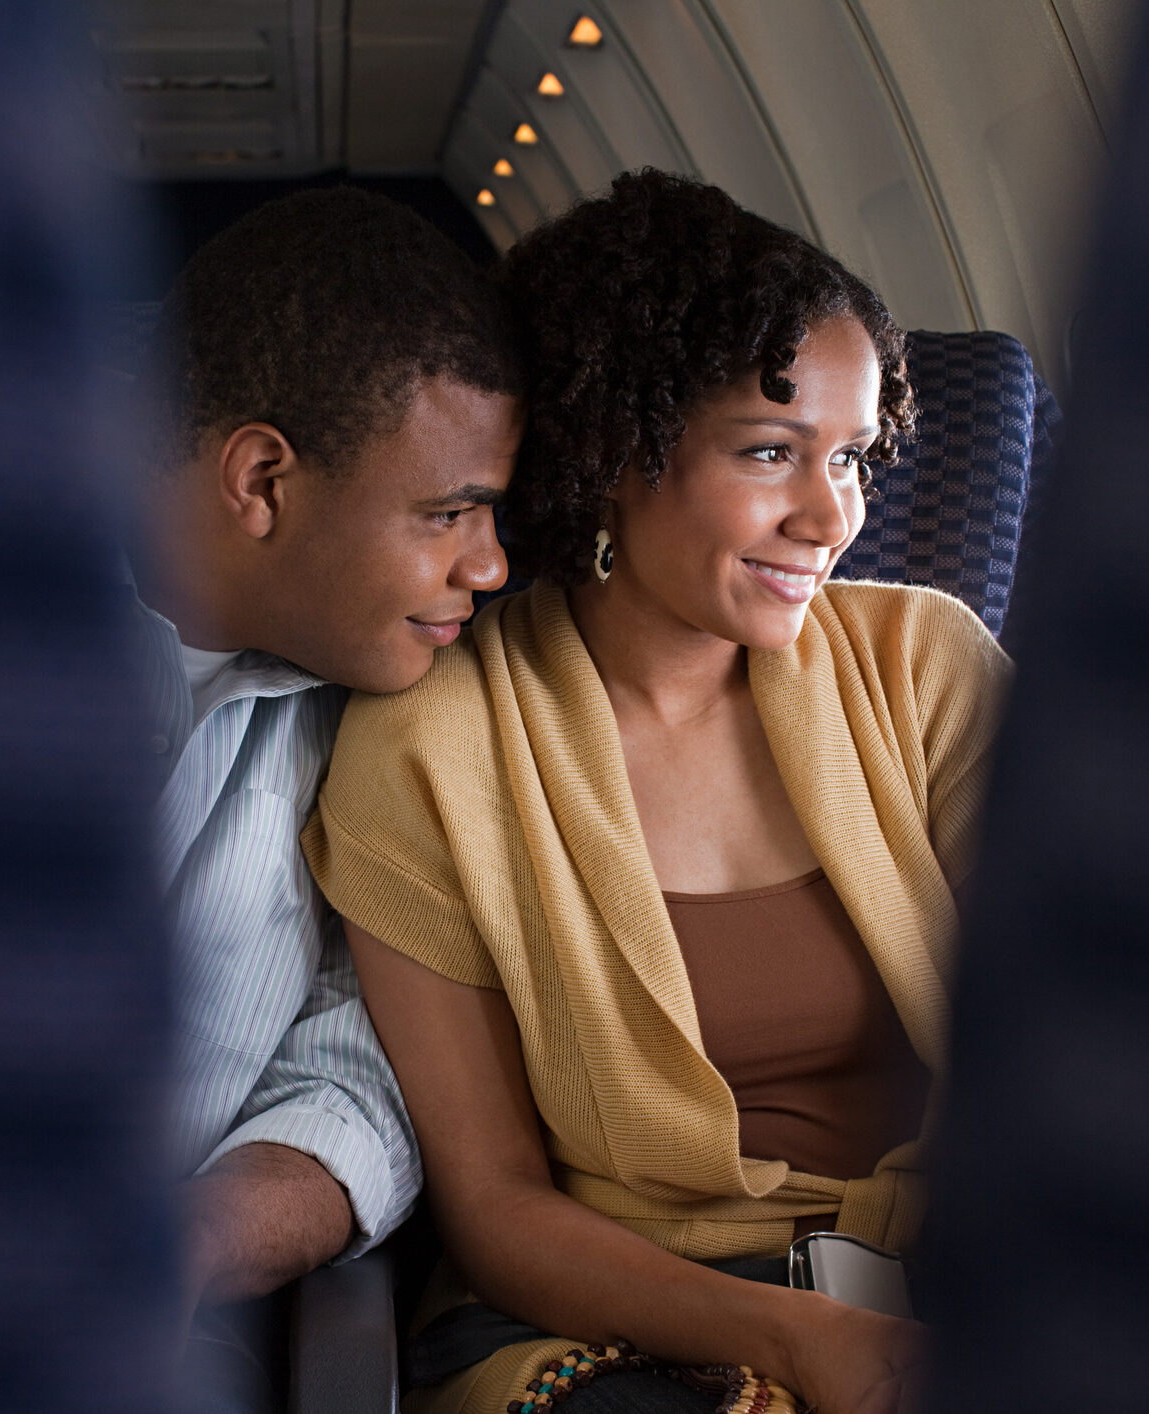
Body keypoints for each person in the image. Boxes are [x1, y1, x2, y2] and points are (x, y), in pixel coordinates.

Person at [301, 170, 1011, 1414]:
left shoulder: (926, 664)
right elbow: (500, 1207)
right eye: (770, 452)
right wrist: (795, 1339)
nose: (828, 513)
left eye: (849, 457)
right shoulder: (427, 749)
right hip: (625, 1324)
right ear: (618, 447)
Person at [128, 185, 524, 1409]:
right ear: (261, 480)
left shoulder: (396, 710)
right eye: (446, 511)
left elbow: (361, 1073)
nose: (491, 562)